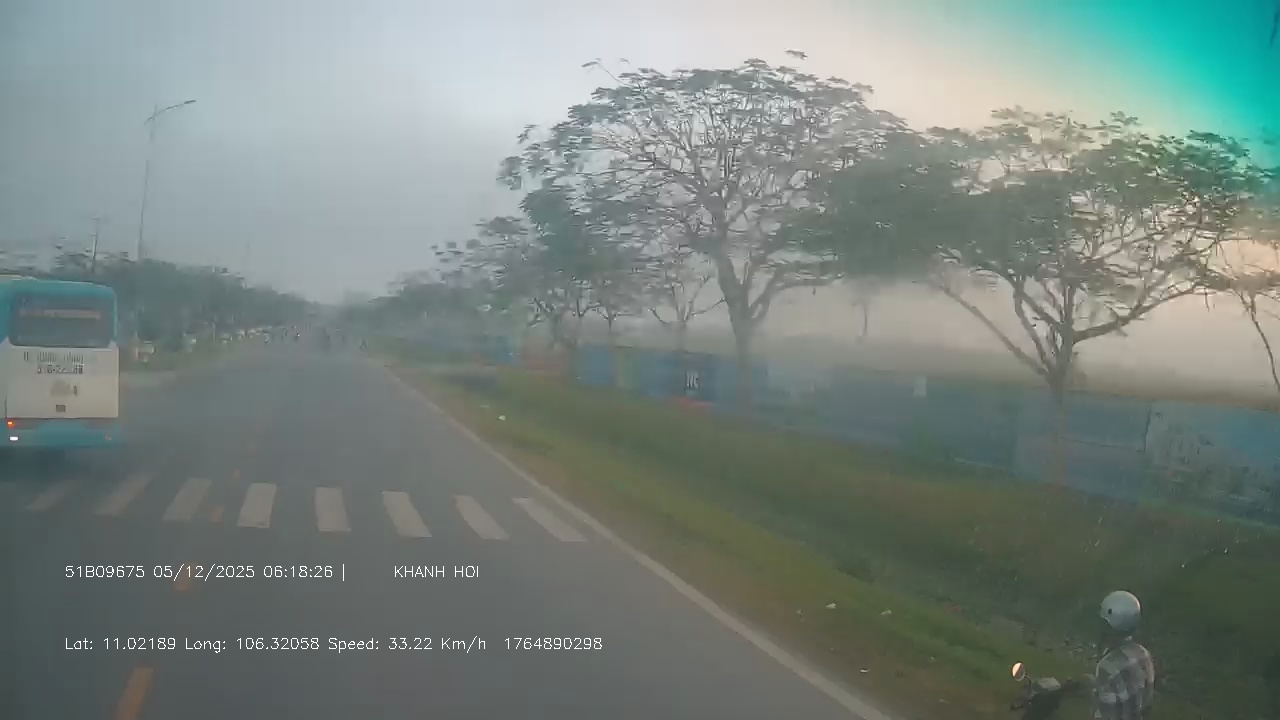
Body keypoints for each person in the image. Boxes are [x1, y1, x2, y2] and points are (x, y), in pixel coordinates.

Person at [1084, 590, 1156, 720]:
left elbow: (1107, 715)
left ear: (1110, 624)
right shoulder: (1143, 654)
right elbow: (1146, 703)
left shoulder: (1107, 666)